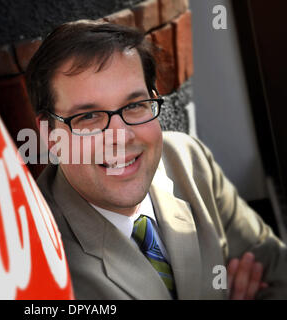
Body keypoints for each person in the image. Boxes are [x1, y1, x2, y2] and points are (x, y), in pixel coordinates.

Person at [25, 21, 287, 299]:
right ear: (50, 134)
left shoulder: (189, 160)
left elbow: (277, 273)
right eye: (88, 116)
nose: (121, 136)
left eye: (134, 105)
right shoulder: (36, 256)